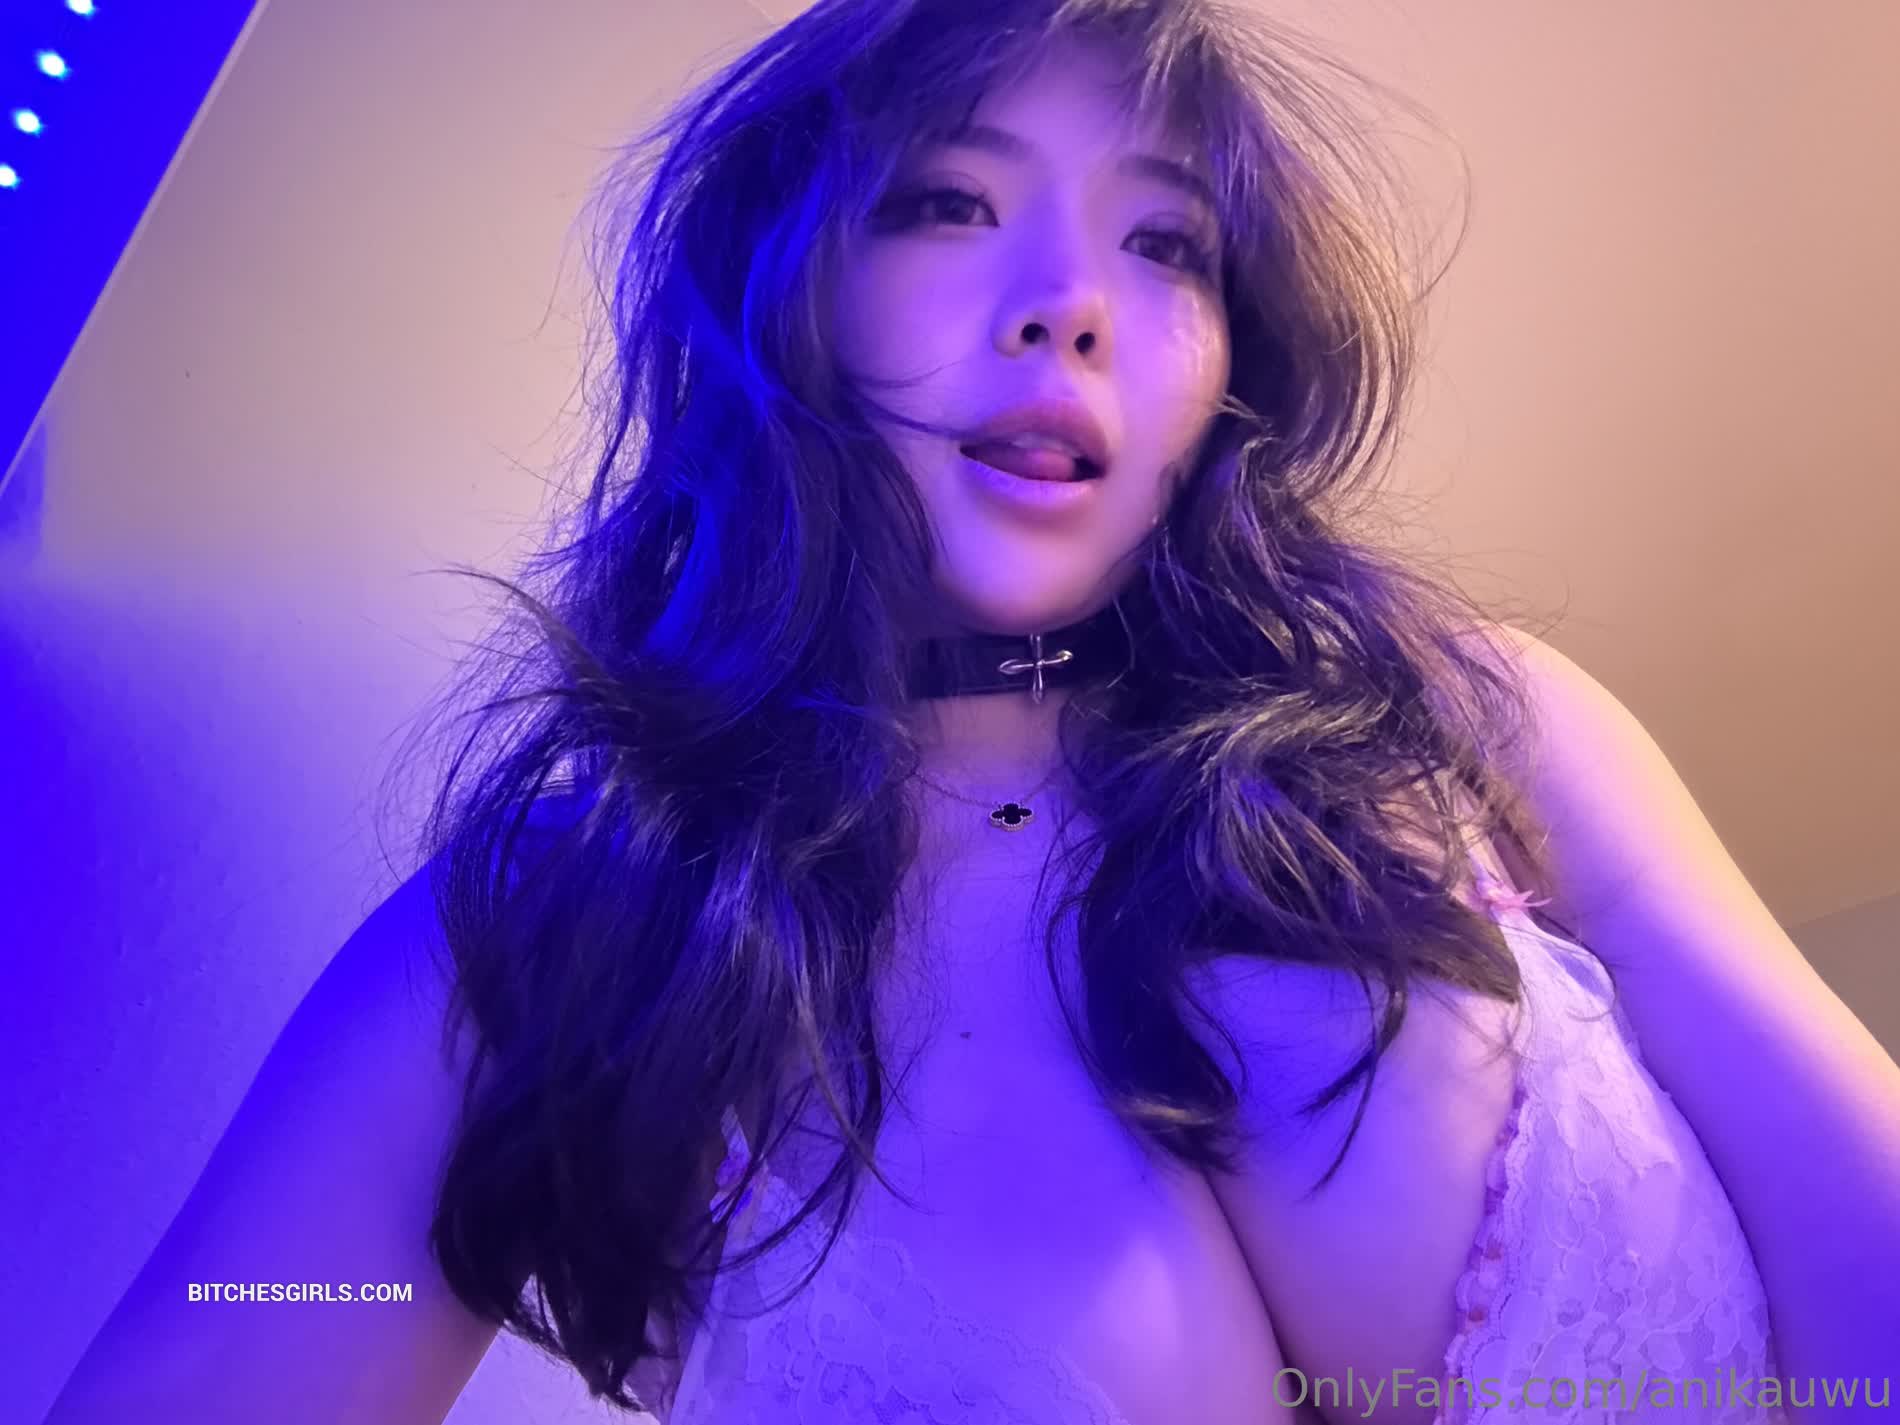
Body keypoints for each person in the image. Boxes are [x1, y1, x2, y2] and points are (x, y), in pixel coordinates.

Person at [43, 1, 1900, 1422]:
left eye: (1165, 242)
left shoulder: (1471, 720)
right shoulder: (558, 931)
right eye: (949, 200)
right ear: (792, 286)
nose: (1070, 304)